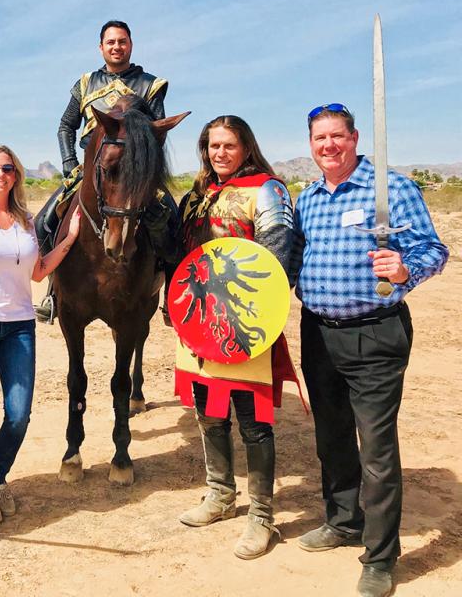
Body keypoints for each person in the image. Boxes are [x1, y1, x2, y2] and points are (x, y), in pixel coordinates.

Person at [291, 104, 448, 597]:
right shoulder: (307, 198)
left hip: (376, 334)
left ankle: (380, 557)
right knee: (332, 436)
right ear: (310, 144)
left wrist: (404, 271)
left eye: (337, 136)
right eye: (320, 138)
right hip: (318, 333)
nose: (328, 146)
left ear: (355, 137)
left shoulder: (392, 190)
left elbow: (433, 250)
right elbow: (296, 256)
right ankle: (343, 521)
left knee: (376, 450)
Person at [173, 116, 299, 559]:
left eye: (228, 145)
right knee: (208, 413)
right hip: (199, 321)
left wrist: (260, 314)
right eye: (212, 146)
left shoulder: (268, 189)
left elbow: (281, 253)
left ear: (246, 146)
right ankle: (220, 495)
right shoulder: (197, 194)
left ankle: (262, 517)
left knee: (253, 421)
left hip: (245, 322)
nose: (219, 154)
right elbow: (181, 253)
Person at [0, 143, 81, 523]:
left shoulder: (26, 219)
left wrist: (69, 239)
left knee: (19, 413)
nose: (0, 175)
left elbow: (38, 271)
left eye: (7, 168)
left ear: (16, 175)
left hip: (20, 326)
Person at [36, 19, 175, 322]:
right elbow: (65, 126)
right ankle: (53, 290)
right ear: (101, 48)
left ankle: (172, 299)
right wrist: (69, 162)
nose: (116, 46)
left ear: (131, 45)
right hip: (92, 169)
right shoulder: (86, 83)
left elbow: (158, 133)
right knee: (43, 222)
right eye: (110, 42)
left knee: (172, 220)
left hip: (135, 172)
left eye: (122, 41)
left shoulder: (150, 84)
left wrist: (146, 172)